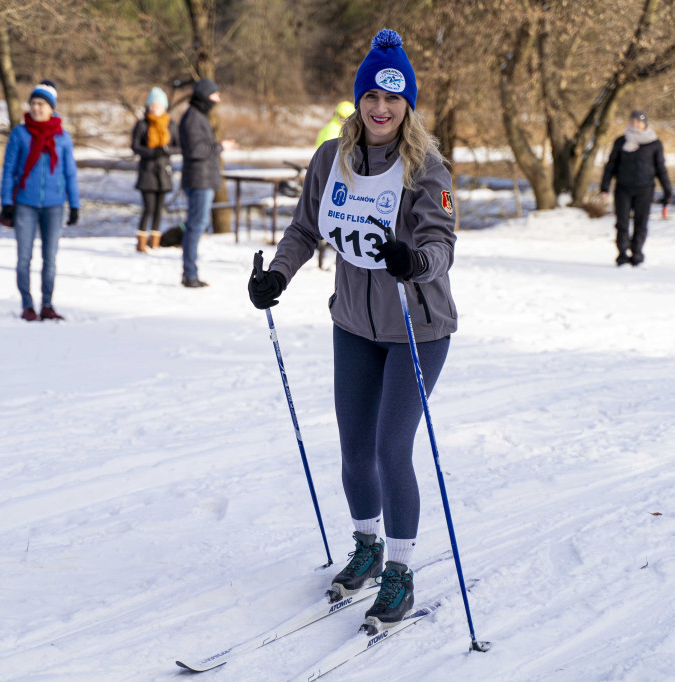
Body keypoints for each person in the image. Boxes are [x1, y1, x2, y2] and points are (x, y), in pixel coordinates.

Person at [247, 29, 457, 626]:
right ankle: (366, 549)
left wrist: (414, 262)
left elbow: (441, 243)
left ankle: (400, 571)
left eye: (393, 100)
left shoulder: (426, 168)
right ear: (360, 100)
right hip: (354, 325)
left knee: (393, 450)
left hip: (418, 328)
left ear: (407, 106)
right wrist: (278, 277)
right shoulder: (330, 160)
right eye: (372, 97)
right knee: (354, 449)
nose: (382, 109)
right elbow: (304, 230)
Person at [0, 80, 80, 321]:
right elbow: (9, 169)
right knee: (24, 258)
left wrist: (74, 204)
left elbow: (70, 173)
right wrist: (6, 202)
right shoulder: (20, 134)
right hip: (25, 203)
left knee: (50, 258)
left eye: (41, 104)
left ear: (51, 107)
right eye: (33, 103)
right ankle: (27, 305)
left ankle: (47, 304)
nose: (36, 108)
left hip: (54, 206)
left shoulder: (62, 138)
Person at [178, 78, 236, 288]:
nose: (218, 99)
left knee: (198, 225)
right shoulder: (193, 118)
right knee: (196, 226)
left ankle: (191, 272)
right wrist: (220, 146)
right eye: (215, 94)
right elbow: (196, 150)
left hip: (203, 178)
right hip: (198, 179)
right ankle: (189, 274)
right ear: (205, 95)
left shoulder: (198, 116)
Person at [600, 109, 672, 266]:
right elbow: (611, 165)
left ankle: (637, 251)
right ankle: (622, 252)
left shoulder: (654, 143)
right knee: (622, 222)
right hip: (623, 188)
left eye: (639, 121)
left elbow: (661, 168)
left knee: (641, 222)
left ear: (645, 123)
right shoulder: (621, 141)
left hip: (645, 189)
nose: (636, 124)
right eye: (633, 121)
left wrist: (667, 190)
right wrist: (605, 187)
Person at [132, 86, 179, 253]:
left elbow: (179, 147)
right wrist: (151, 152)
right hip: (147, 172)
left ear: (164, 106)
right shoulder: (142, 124)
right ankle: (141, 243)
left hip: (164, 172)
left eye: (158, 105)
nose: (155, 108)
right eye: (152, 105)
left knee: (159, 209)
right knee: (149, 208)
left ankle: (155, 242)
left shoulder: (171, 125)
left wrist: (165, 151)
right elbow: (135, 146)